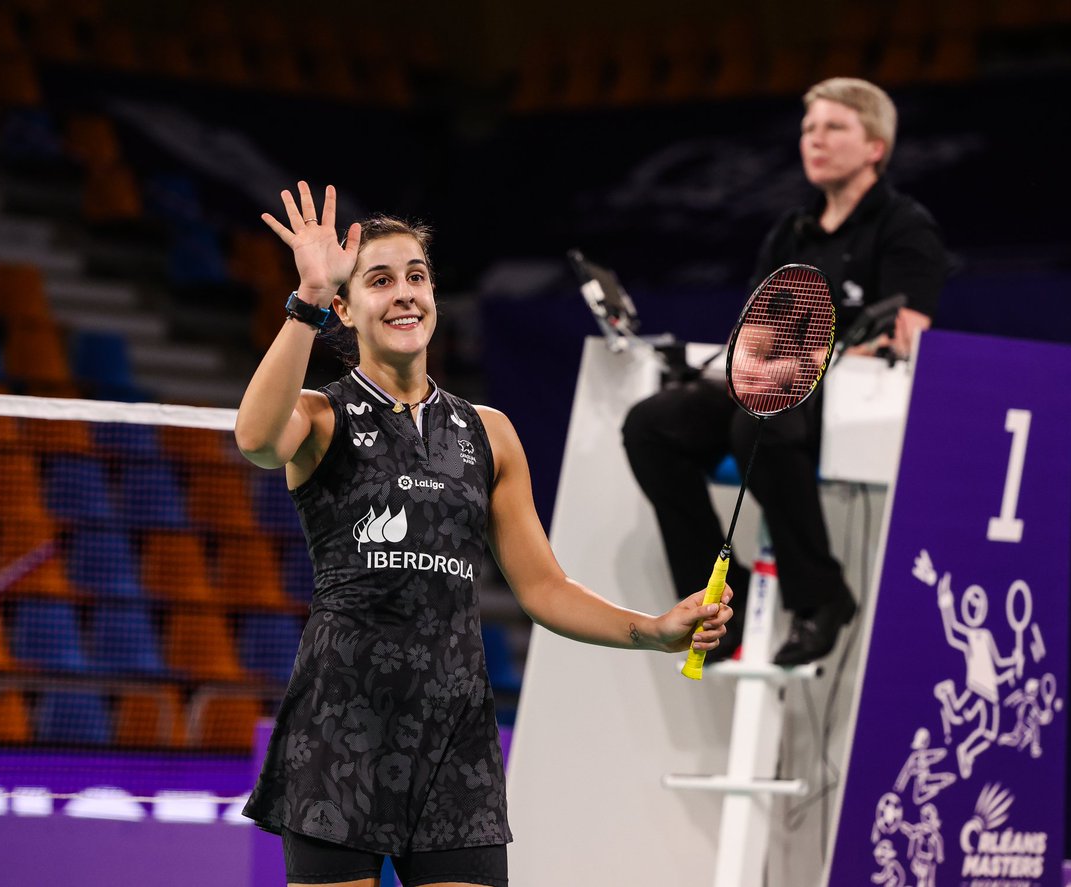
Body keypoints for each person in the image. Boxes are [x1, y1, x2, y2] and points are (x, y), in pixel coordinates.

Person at [234, 181, 734, 887]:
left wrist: (651, 629)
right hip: (342, 722)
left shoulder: (487, 432)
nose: (405, 293)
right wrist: (306, 296)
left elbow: (544, 586)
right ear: (346, 309)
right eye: (380, 281)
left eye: (417, 277)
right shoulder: (321, 416)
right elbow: (255, 439)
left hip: (454, 736)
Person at [622, 77, 947, 667]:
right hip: (770, 389)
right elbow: (755, 336)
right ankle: (727, 596)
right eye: (808, 129)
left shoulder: (904, 226)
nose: (814, 141)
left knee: (759, 426)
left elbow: (906, 339)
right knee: (653, 424)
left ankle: (820, 597)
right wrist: (750, 365)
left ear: (875, 146)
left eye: (834, 128)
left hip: (851, 401)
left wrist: (799, 367)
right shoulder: (790, 233)